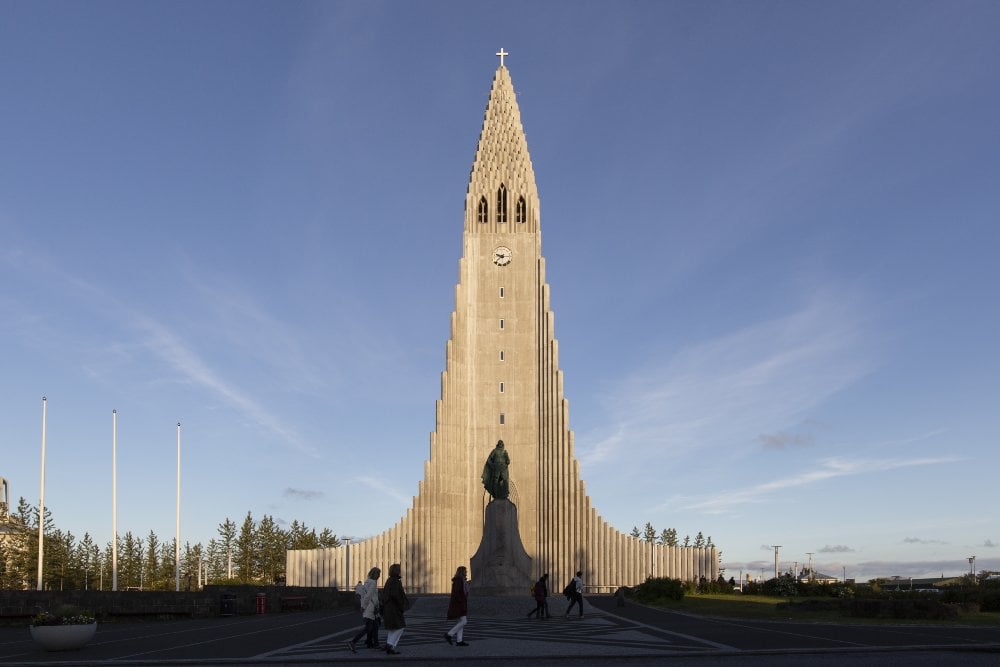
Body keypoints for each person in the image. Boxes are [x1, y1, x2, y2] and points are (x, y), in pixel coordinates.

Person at [346, 567, 381, 653]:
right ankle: (353, 642)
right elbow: (368, 596)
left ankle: (371, 643)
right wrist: (364, 607)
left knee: (375, 626)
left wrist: (363, 606)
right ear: (375, 574)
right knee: (369, 628)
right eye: (378, 574)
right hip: (371, 608)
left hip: (369, 608)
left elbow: (363, 596)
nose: (379, 576)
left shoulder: (366, 582)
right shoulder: (373, 583)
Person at [381, 563, 409, 655]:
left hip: (389, 608)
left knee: (393, 628)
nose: (401, 571)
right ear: (397, 571)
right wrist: (401, 604)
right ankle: (390, 645)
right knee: (400, 627)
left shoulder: (390, 580)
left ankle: (390, 646)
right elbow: (395, 595)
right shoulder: (395, 581)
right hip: (394, 608)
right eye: (399, 569)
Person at [443, 565, 471, 646]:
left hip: (461, 603)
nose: (466, 572)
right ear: (462, 572)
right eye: (465, 571)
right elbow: (456, 592)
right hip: (459, 604)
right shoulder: (459, 580)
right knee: (464, 621)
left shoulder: (462, 581)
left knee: (461, 621)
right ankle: (449, 634)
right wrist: (460, 602)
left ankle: (459, 641)